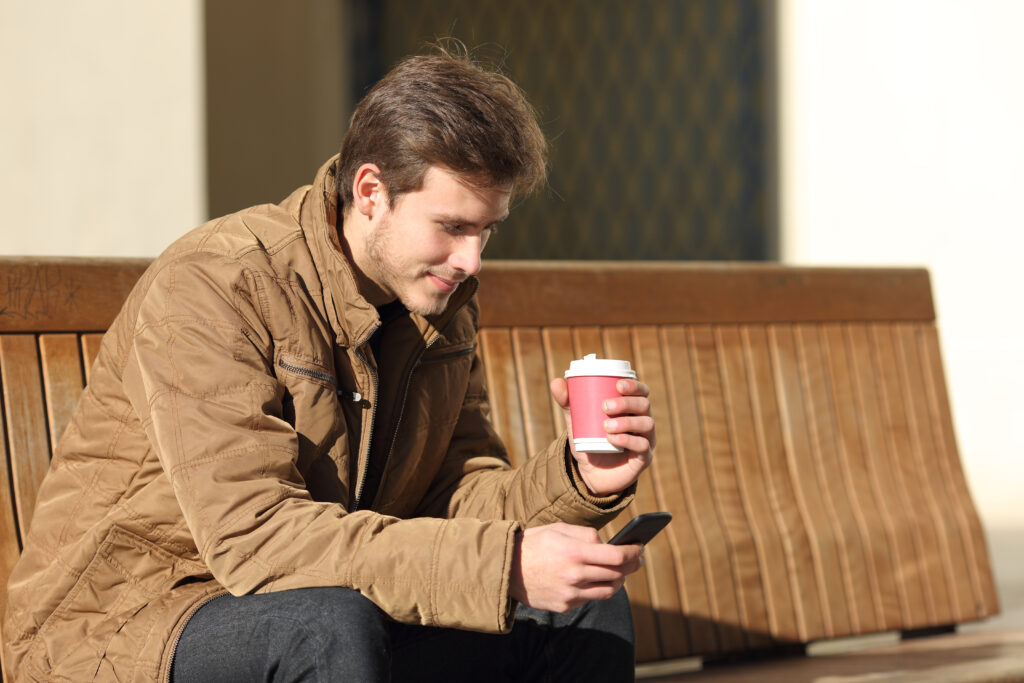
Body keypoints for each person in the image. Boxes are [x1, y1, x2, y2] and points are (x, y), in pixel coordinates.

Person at [3, 45, 656, 682]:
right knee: (329, 626)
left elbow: (456, 496)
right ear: (371, 191)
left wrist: (582, 478)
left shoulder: (439, 306)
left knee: (586, 608)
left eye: (486, 230)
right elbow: (258, 539)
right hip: (135, 621)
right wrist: (504, 565)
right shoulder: (217, 283)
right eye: (452, 227)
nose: (472, 260)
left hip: (333, 597)